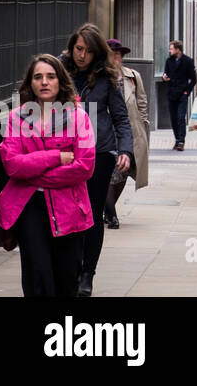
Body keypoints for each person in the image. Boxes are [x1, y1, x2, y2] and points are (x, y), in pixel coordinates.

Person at [0, 55, 97, 297]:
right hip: (30, 207)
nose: (44, 82)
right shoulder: (16, 118)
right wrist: (54, 158)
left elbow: (84, 167)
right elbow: (13, 165)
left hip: (69, 208)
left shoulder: (78, 117)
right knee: (37, 280)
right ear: (30, 83)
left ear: (60, 81)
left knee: (66, 281)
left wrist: (32, 174)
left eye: (50, 76)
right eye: (38, 77)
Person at [67, 23, 133, 297]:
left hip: (99, 152)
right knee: (69, 213)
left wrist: (125, 151)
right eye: (78, 49)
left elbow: (120, 117)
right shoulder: (58, 71)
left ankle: (87, 274)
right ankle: (71, 267)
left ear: (97, 53)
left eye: (89, 51)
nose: (82, 55)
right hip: (66, 152)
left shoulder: (106, 77)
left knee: (92, 215)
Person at [102, 41, 149, 229]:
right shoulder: (100, 78)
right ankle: (111, 214)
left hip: (129, 133)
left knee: (123, 172)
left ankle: (108, 208)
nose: (116, 58)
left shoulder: (133, 77)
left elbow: (142, 104)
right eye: (112, 54)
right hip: (107, 134)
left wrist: (143, 129)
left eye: (119, 54)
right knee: (107, 175)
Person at [162, 41, 197, 150]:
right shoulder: (169, 61)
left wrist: (187, 92)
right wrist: (164, 77)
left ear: (178, 49)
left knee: (180, 117)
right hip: (172, 93)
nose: (170, 51)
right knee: (173, 118)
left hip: (182, 94)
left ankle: (181, 141)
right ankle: (177, 139)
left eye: (171, 49)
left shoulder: (188, 61)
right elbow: (166, 73)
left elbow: (194, 79)